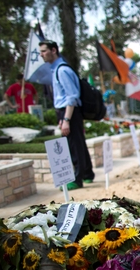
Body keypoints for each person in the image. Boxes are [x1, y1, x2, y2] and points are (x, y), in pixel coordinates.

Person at [39, 40, 95, 191]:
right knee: (79, 143)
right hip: (67, 112)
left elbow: (71, 97)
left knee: (74, 145)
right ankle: (87, 173)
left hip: (70, 111)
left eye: (44, 51)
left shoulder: (62, 70)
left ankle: (77, 179)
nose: (41, 54)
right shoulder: (57, 69)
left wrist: (66, 119)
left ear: (54, 50)